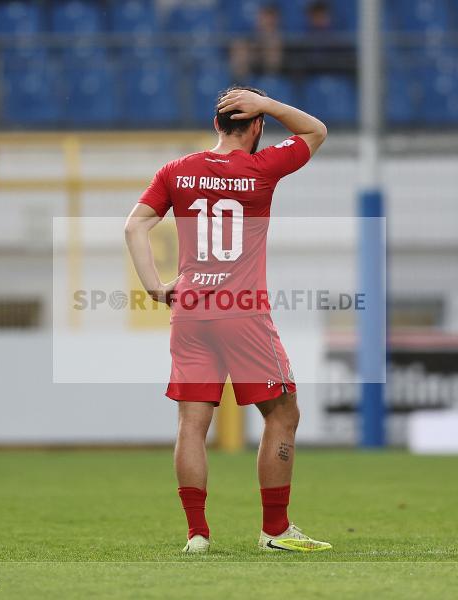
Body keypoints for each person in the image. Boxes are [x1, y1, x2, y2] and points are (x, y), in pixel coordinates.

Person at [124, 86, 330, 553]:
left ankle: (197, 534)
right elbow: (316, 130)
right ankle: (275, 531)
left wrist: (157, 286)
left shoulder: (176, 171)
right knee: (282, 412)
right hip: (242, 312)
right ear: (256, 126)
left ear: (217, 125)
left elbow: (134, 225)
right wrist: (272, 106)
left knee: (192, 424)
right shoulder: (262, 168)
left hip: (191, 310)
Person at [229, 4, 284, 81]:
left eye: (270, 22)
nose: (266, 23)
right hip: (249, 73)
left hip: (276, 75)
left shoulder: (281, 41)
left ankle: (270, 84)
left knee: (273, 48)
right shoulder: (249, 38)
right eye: (264, 19)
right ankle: (240, 82)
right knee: (240, 48)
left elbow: (276, 62)